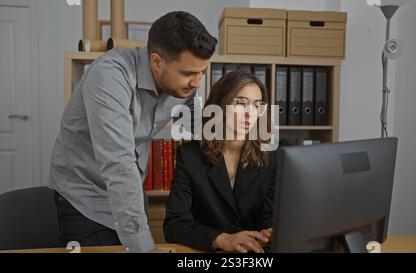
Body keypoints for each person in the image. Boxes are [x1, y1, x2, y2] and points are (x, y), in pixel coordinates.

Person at [48, 11, 217, 253]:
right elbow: (118, 163)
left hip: (130, 197)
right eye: (189, 73)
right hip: (84, 198)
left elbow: (199, 125)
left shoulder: (181, 86)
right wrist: (144, 248)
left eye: (201, 72)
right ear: (157, 62)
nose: (196, 83)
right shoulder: (109, 76)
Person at [164, 71, 276, 253]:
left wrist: (269, 230)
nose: (250, 113)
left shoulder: (270, 156)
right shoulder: (190, 156)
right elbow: (174, 225)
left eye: (257, 105)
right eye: (241, 103)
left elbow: (267, 214)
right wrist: (221, 239)